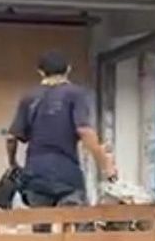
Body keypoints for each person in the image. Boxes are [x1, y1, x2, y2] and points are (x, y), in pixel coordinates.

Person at [6, 50, 117, 207]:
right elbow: (84, 131)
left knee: (40, 224)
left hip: (35, 173)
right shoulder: (75, 94)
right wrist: (105, 164)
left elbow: (11, 138)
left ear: (40, 71)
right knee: (77, 222)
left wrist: (13, 163)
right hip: (66, 172)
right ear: (68, 69)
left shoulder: (29, 97)